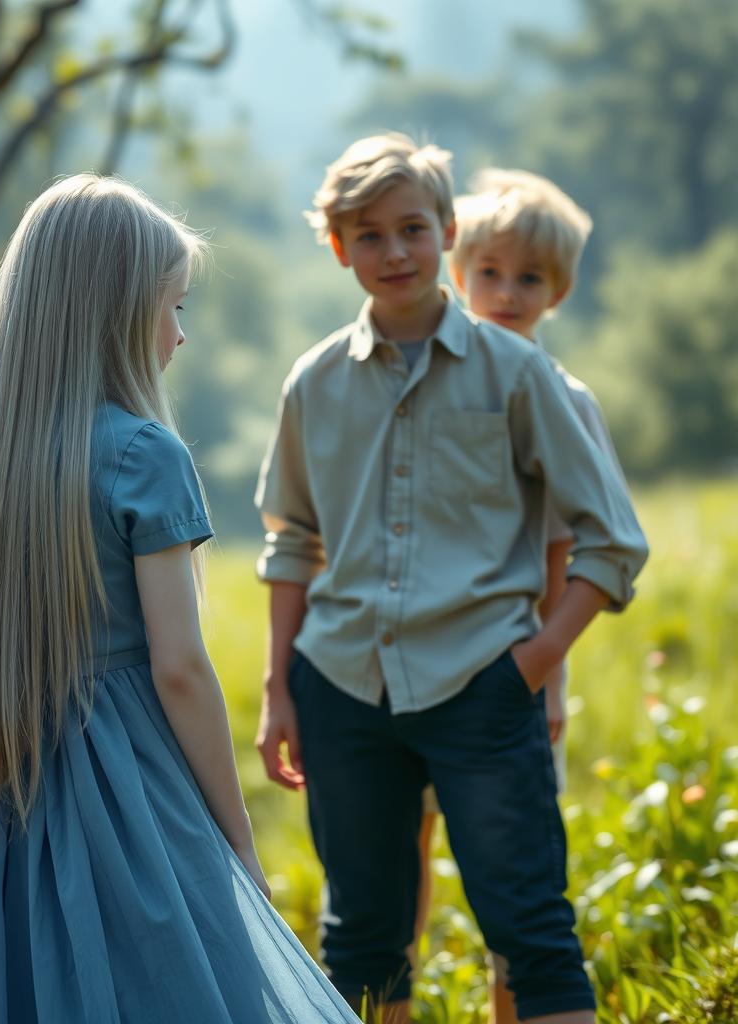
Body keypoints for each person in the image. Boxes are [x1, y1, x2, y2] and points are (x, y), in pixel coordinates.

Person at [0, 174, 361, 1024]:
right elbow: (182, 670)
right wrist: (237, 839)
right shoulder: (144, 454)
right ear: (115, 312)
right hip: (126, 795)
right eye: (173, 307)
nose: (180, 335)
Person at [254, 133, 648, 1024]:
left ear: (447, 230)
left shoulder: (518, 374)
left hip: (483, 683)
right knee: (361, 938)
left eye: (412, 229)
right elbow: (292, 541)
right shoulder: (312, 383)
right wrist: (282, 689)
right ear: (337, 246)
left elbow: (610, 539)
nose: (393, 252)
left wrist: (534, 663)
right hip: (343, 691)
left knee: (533, 931)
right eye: (367, 236)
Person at [412, 167, 633, 1024]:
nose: (506, 294)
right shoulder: (423, 378)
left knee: (515, 879)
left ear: (560, 289)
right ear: (459, 272)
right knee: (398, 868)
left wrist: (541, 672)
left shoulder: (567, 399)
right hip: (411, 664)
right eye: (490, 272)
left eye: (530, 278)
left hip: (518, 669)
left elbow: (585, 543)